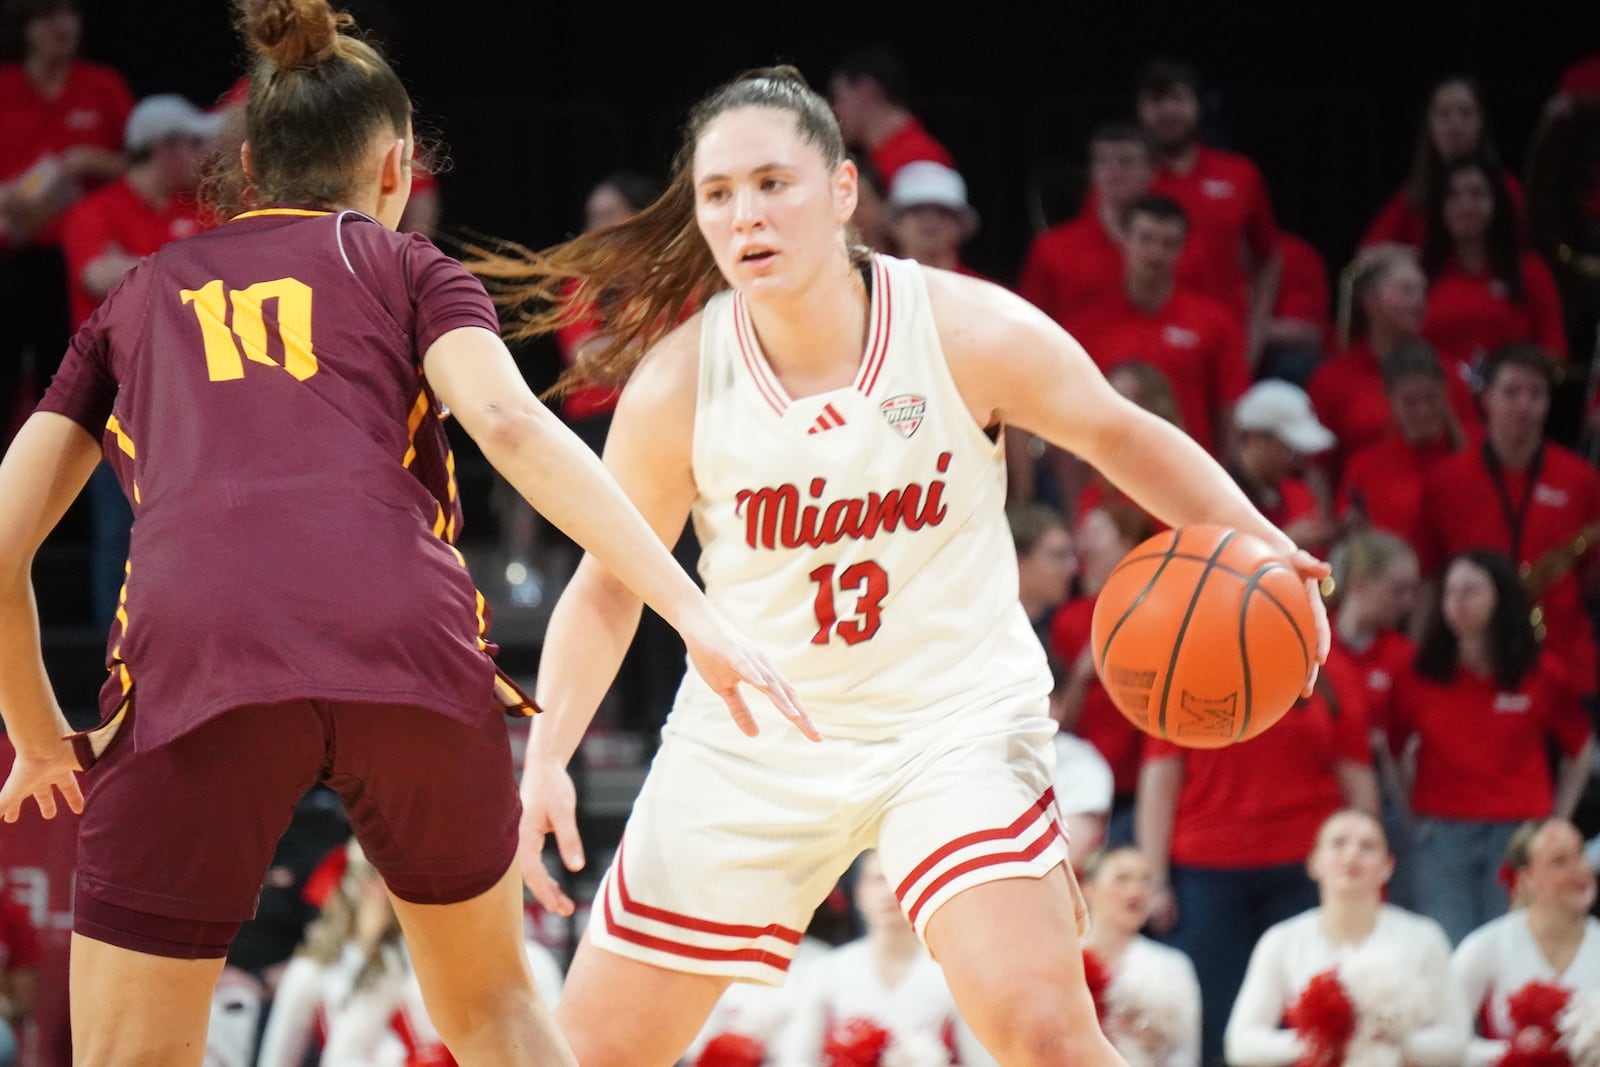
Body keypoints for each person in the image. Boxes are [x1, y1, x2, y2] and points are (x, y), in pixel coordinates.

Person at [470, 66, 1330, 1067]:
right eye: (718, 194)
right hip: (753, 744)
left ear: (842, 192)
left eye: (771, 183)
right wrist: (545, 755)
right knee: (592, 1052)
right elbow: (610, 582)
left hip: (948, 722)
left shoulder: (967, 330)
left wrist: (1260, 544)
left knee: (1044, 1030)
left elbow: (1121, 434)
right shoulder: (676, 383)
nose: (744, 213)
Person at [0, 5, 809, 1066]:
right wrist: (694, 612)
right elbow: (514, 427)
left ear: (246, 166)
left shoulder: (140, 293)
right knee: (495, 1015)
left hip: (201, 646)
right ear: (395, 167)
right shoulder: (408, 267)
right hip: (405, 636)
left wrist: (36, 723)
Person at [1136, 650, 1375, 1067]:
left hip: (1305, 871)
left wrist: (1363, 871)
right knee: (1212, 1017)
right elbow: (1160, 778)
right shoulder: (1188, 664)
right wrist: (1153, 880)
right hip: (1206, 870)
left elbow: (1356, 776)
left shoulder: (1330, 667)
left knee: (1308, 1017)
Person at [59, 93, 220, 632]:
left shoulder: (199, 211)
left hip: (194, 394)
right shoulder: (93, 210)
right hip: (115, 397)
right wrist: (185, 268)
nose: (203, 154)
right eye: (193, 143)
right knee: (121, 530)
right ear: (161, 149)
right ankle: (117, 666)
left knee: (196, 526)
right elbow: (97, 274)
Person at [1389, 550, 1595, 945]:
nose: (1458, 603)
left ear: (1500, 596)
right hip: (1443, 832)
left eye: (1471, 591)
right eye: (1450, 592)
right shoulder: (1417, 675)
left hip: (1519, 832)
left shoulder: (1541, 672)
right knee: (1448, 949)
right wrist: (1414, 813)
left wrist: (1558, 818)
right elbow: (1393, 751)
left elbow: (1580, 746)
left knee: (1514, 948)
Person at [1416, 344, 1600, 705]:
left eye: (1536, 394)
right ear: (1487, 398)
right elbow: (1428, 577)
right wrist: (1421, 653)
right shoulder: (1445, 480)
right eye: (1512, 392)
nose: (1524, 405)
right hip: (1471, 657)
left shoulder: (1582, 479)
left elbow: (1592, 577)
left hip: (1564, 660)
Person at [1223, 810, 1469, 1067]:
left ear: (1387, 867)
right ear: (1313, 863)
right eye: (1338, 844)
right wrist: (1319, 1040)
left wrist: (1391, 1042)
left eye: (1367, 846)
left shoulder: (1424, 937)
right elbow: (1241, 1043)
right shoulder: (1281, 941)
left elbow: (1456, 1041)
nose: (1351, 856)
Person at [0, 0, 132, 441]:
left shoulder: (101, 86)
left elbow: (140, 167)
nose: (63, 25)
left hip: (78, 264)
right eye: (49, 15)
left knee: (67, 392)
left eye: (71, 14)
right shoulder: (5, 88)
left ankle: (68, 506)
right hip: (12, 257)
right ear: (26, 27)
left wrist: (94, 160)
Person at [773, 852, 996, 1067]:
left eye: (899, 881)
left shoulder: (952, 975)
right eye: (878, 880)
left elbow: (980, 1060)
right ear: (859, 891)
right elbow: (796, 1057)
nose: (889, 892)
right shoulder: (826, 970)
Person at [1070, 194, 1248, 456]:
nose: (1155, 254)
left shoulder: (1214, 323)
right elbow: (1069, 416)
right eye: (1145, 239)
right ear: (1124, 239)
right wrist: (1074, 496)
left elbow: (1229, 415)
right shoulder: (1086, 326)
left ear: (1183, 249)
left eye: (1169, 244)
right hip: (1105, 480)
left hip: (1186, 472)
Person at [1133, 58, 1280, 356]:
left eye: (1177, 98)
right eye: (1156, 100)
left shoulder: (1240, 174)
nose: (1167, 111)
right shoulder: (1126, 182)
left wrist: (1257, 330)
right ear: (1140, 109)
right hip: (1145, 343)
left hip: (1226, 343)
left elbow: (1269, 257)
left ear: (1198, 106)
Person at [1307, 248, 1478, 476]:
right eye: (1407, 291)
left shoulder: (1447, 373)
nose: (1419, 301)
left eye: (1422, 291)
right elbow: (1317, 465)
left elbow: (1473, 453)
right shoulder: (1332, 379)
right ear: (1370, 299)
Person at [1050, 502, 1159, 847]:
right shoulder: (1070, 618)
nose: (1085, 541)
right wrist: (1083, 674)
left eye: (1097, 532)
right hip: (1090, 780)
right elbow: (1060, 718)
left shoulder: (1157, 612)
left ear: (1128, 544)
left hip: (1143, 776)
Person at [1453, 818, 1600, 1067]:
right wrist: (1511, 1053)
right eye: (1560, 862)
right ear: (1527, 879)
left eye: (1580, 855)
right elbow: (1442, 1036)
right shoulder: (1487, 944)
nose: (1579, 870)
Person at [1327, 531, 1421, 906]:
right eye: (1398, 590)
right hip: (1319, 787)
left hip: (1381, 790)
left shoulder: (1402, 655)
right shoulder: (1312, 639)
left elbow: (1406, 742)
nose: (1409, 602)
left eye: (1413, 590)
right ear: (1361, 583)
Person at [1419, 155, 1567, 372]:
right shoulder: (1421, 274)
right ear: (1440, 207)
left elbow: (1554, 351)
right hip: (1431, 399)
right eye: (1453, 196)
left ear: (1497, 203)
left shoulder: (1529, 269)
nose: (1466, 206)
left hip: (1512, 399)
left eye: (1477, 195)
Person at [1017, 121, 1155, 334]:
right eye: (1102, 162)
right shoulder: (1053, 249)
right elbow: (1030, 328)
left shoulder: (1175, 246)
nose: (1114, 171)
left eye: (1126, 162)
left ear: (1151, 171)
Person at [1361, 76, 1525, 251]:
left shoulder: (1506, 189)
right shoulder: (1415, 194)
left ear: (1482, 123)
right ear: (1429, 127)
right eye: (1443, 115)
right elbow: (1367, 254)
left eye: (1465, 113)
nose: (1454, 125)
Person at [1079, 846, 1202, 1067]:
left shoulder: (1172, 966)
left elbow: (1187, 1054)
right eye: (1122, 879)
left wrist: (1153, 1043)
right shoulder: (1065, 960)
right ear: (1089, 888)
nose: (1136, 891)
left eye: (1145, 881)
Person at [1336, 340, 1466, 546]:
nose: (1422, 412)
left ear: (1444, 393)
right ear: (1389, 398)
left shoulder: (1469, 461)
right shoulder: (1364, 467)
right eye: (1410, 402)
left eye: (1430, 398)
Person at [1227, 380, 1336, 554]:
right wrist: (1287, 541)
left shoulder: (1299, 494)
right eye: (1288, 448)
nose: (1297, 461)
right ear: (1255, 438)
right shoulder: (1222, 497)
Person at [828, 46, 952, 186]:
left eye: (838, 98)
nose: (835, 110)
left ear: (867, 90)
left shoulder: (921, 158)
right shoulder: (877, 158)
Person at [886, 160, 983, 277]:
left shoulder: (985, 292)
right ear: (895, 223)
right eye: (917, 211)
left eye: (942, 212)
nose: (930, 222)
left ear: (961, 226)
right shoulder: (870, 288)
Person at [1009, 503, 1076, 644]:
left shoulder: (1060, 630)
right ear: (1019, 561)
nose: (1073, 567)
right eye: (1059, 555)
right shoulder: (987, 631)